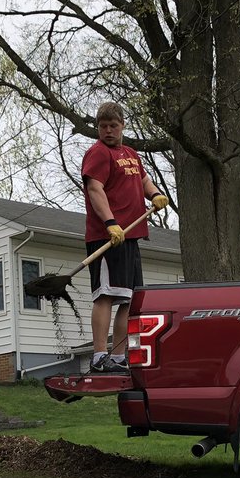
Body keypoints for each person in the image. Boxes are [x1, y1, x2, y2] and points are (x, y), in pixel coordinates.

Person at [81, 102, 169, 372]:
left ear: (122, 125)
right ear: (98, 128)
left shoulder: (130, 153)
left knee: (128, 299)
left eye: (113, 126)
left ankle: (118, 356)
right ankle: (99, 356)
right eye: (103, 126)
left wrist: (154, 194)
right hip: (107, 237)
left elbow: (142, 180)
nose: (108, 131)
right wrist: (110, 223)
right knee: (105, 295)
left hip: (130, 237)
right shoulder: (97, 153)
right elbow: (95, 189)